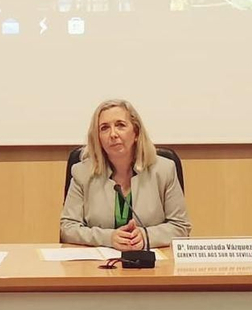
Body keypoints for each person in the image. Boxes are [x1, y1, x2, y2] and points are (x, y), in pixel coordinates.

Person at [61, 99, 190, 249]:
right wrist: (108, 238)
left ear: (136, 133)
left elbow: (181, 227)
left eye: (120, 125)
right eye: (104, 128)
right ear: (98, 138)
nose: (113, 134)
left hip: (150, 259)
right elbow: (67, 228)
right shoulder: (82, 173)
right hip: (99, 261)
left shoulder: (164, 170)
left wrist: (146, 236)